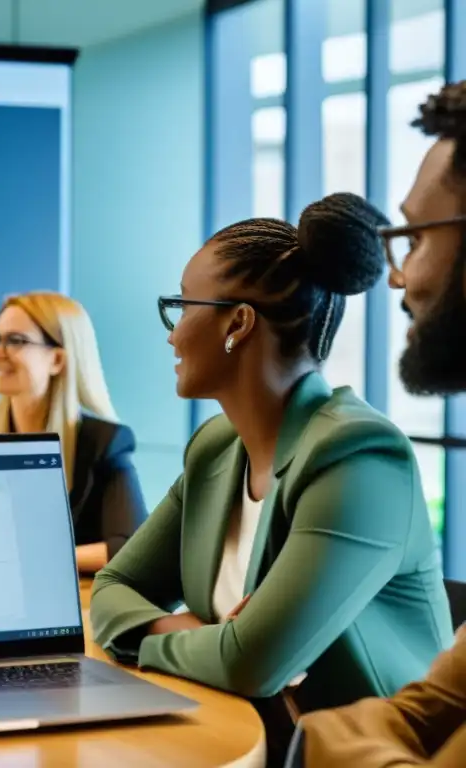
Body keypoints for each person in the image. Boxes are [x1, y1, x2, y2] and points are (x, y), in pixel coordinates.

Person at [89, 193, 453, 763]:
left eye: (182, 307)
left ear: (238, 322)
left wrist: (187, 638)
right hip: (241, 728)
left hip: (362, 755)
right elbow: (112, 590)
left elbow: (248, 663)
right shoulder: (216, 449)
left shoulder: (360, 458)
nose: (172, 334)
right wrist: (188, 632)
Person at [285, 82, 466, 768]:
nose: (400, 278)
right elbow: (421, 712)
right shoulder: (217, 447)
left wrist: (332, 739)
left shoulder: (357, 450)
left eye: (417, 238)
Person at [0, 291, 146, 572]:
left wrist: (36, 560)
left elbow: (131, 547)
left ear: (58, 360)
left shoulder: (105, 442)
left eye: (15, 341)